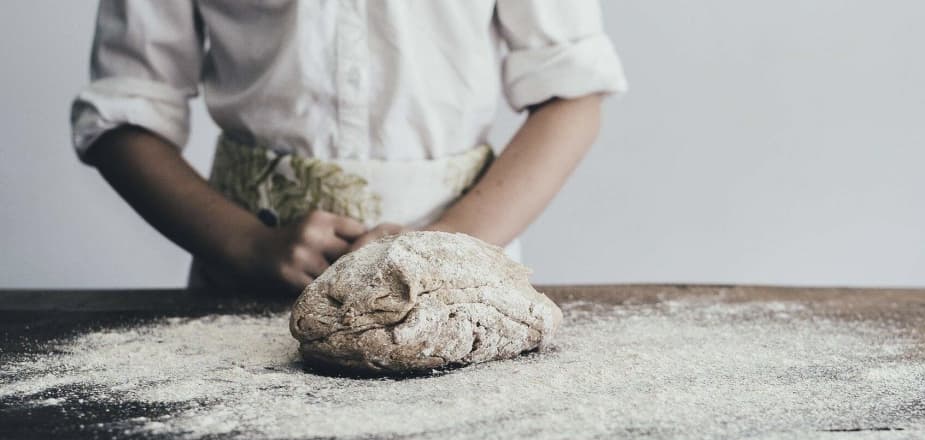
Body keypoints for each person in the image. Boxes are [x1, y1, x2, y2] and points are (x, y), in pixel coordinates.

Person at [72, 1, 627, 293]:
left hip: (460, 282)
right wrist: (246, 245)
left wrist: (445, 247)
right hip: (246, 285)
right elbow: (123, 112)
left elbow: (571, 96)